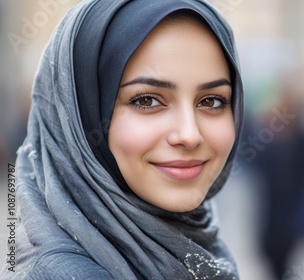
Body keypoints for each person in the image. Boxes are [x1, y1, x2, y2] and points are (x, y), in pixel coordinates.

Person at [0, 0, 244, 279]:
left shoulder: (199, 251)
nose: (189, 135)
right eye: (147, 100)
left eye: (211, 101)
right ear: (82, 115)